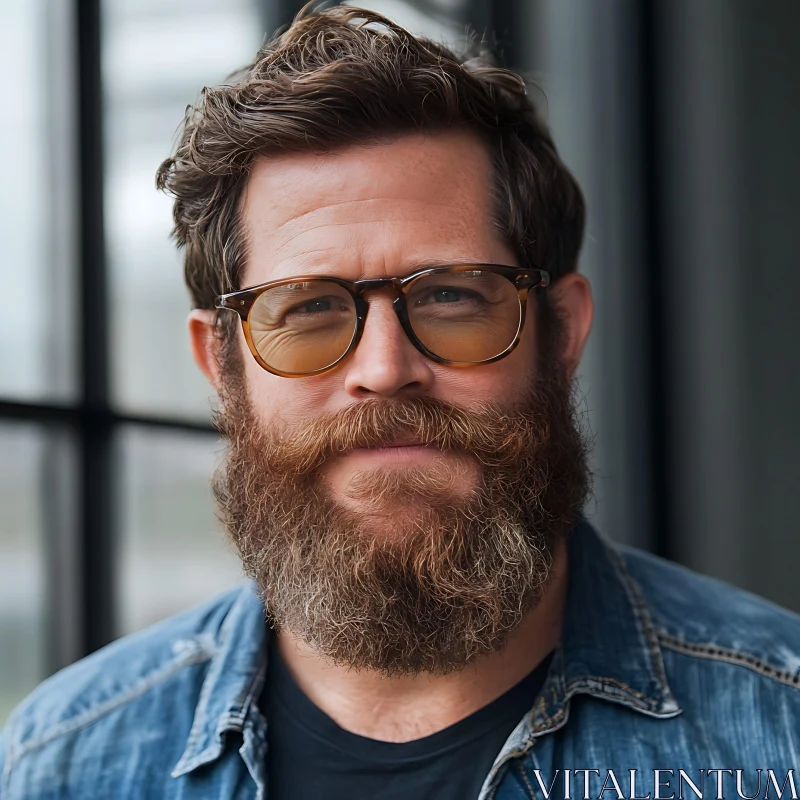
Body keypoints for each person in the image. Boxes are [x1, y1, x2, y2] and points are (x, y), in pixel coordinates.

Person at [3, 6, 800, 799]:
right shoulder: (65, 763)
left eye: (452, 295)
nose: (385, 369)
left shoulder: (783, 731)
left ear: (561, 333)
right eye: (308, 308)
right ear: (221, 365)